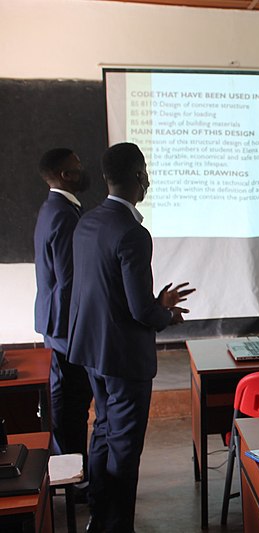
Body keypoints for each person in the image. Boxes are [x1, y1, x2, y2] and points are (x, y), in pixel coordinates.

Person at [67, 142, 195, 533]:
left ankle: (99, 516)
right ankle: (117, 525)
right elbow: (140, 312)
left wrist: (154, 304)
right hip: (124, 358)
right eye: (146, 174)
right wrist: (167, 315)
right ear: (139, 176)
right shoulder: (133, 233)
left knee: (103, 431)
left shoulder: (87, 221)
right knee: (124, 448)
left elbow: (110, 293)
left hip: (92, 349)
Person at [33, 148, 94, 475]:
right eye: (78, 165)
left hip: (56, 322)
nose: (82, 169)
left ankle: (70, 472)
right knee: (71, 405)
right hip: (66, 327)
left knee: (67, 401)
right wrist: (84, 328)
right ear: (65, 175)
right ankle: (73, 478)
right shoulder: (63, 215)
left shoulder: (53, 208)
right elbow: (71, 280)